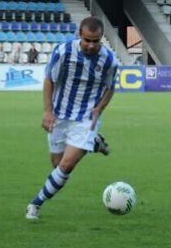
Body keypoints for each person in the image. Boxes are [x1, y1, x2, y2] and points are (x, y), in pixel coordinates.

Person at [25, 17, 119, 220]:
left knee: (66, 166)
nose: (92, 45)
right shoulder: (63, 52)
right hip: (59, 115)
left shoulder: (109, 60)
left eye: (96, 41)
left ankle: (36, 203)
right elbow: (49, 78)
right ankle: (93, 143)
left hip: (85, 118)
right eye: (87, 40)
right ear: (79, 34)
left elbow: (111, 88)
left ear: (102, 38)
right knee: (57, 164)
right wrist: (47, 110)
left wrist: (99, 109)